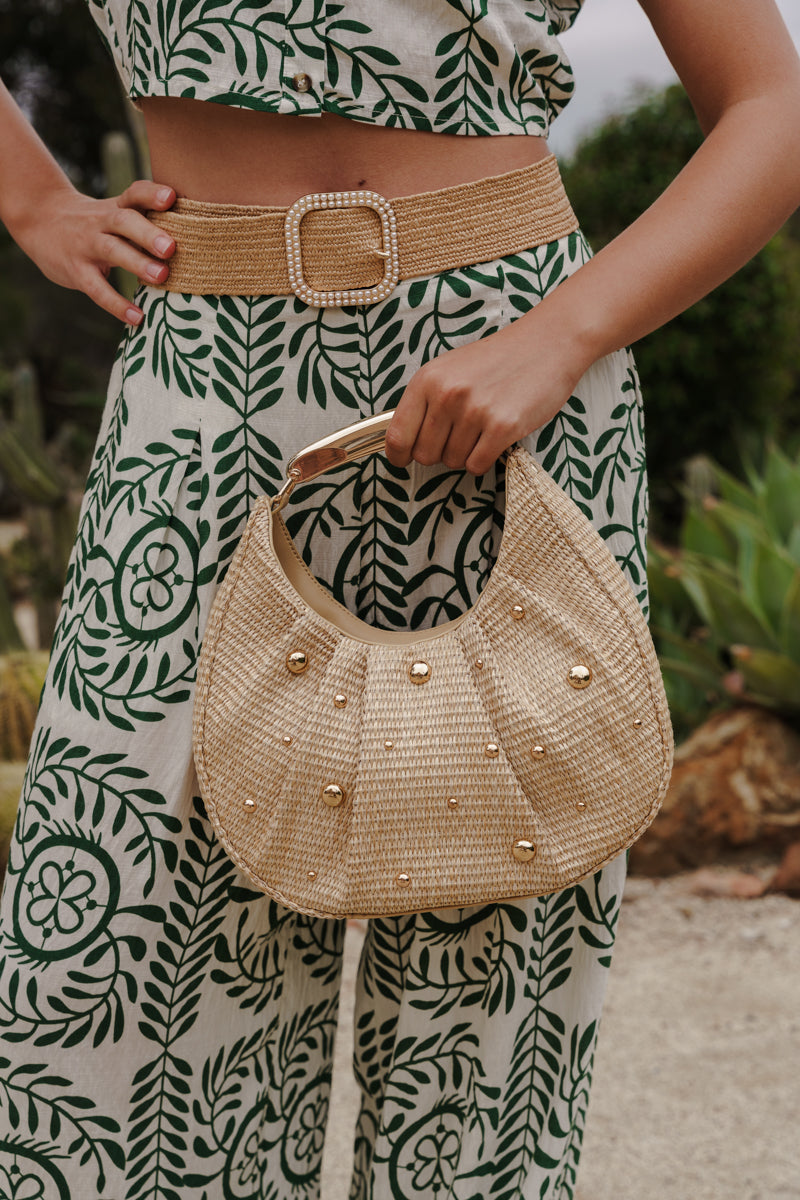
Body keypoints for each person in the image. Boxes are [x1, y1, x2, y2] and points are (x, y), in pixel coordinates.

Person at [0, 1, 798, 1196]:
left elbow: (769, 104)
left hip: (514, 389)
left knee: (480, 1047)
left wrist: (562, 335)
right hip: (205, 391)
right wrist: (31, 195)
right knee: (104, 1003)